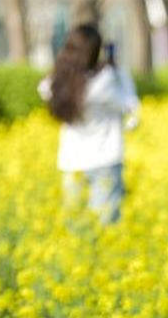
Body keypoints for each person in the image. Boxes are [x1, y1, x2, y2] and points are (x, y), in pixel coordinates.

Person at [38, 24, 139, 226]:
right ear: (95, 52)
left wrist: (64, 67)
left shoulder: (57, 84)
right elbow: (130, 105)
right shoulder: (105, 83)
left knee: (75, 226)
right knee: (105, 227)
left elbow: (45, 86)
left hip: (72, 161)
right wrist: (119, 71)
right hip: (105, 160)